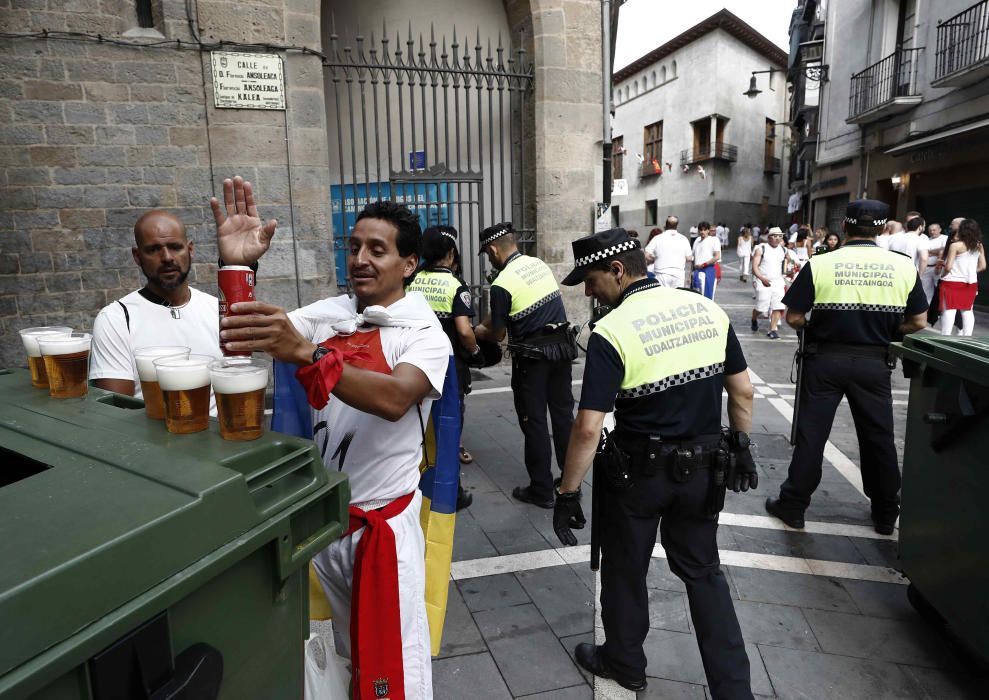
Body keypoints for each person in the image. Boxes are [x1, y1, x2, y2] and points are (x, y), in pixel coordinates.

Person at [215, 177, 449, 699]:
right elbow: (236, 336)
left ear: (409, 264)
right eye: (354, 246)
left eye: (378, 249)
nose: (361, 258)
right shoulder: (328, 315)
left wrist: (309, 355)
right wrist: (238, 268)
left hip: (383, 532)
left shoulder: (423, 332)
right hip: (331, 525)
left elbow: (394, 399)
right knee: (349, 651)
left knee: (397, 669)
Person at [553, 227, 758, 697]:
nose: (587, 289)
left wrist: (567, 493)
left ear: (618, 271)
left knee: (625, 569)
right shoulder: (708, 309)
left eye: (590, 278)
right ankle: (733, 690)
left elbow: (587, 427)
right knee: (704, 572)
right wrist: (742, 445)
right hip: (705, 471)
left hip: (638, 475)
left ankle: (625, 662)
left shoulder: (612, 331)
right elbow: (742, 390)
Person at [765, 200, 928, 536]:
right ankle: (885, 512)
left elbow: (794, 316)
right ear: (883, 229)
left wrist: (817, 326)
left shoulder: (821, 263)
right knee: (878, 437)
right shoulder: (902, 266)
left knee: (812, 435)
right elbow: (919, 322)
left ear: (844, 227)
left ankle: (793, 506)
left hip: (824, 360)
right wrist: (889, 332)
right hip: (874, 363)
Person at [474, 222, 576, 509]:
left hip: (532, 359)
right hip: (561, 350)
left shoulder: (501, 283)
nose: (490, 259)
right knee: (563, 417)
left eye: (488, 254)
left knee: (534, 422)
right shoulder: (538, 265)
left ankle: (542, 489)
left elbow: (497, 333)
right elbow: (504, 314)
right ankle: (571, 486)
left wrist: (477, 332)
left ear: (494, 250)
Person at [90, 210, 222, 412]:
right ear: (137, 256)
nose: (167, 257)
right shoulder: (116, 318)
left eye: (175, 247)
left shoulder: (215, 309)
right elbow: (116, 413)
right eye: (153, 250)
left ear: (190, 249)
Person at [406, 225, 479, 510]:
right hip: (448, 370)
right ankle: (454, 493)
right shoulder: (456, 286)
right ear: (450, 253)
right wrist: (474, 350)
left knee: (417, 427)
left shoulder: (412, 281)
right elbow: (464, 331)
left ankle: (415, 485)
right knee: (448, 428)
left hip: (413, 363)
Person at [939, 218, 986, 336]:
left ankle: (945, 337)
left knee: (949, 310)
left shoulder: (955, 245)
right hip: (971, 282)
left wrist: (943, 275)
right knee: (967, 311)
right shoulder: (979, 245)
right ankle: (967, 338)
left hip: (952, 281)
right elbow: (983, 266)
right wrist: (969, 271)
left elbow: (948, 267)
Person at [749, 227, 793, 339]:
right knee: (761, 308)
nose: (777, 238)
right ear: (769, 237)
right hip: (762, 280)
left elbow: (787, 264)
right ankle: (754, 318)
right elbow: (754, 268)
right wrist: (762, 278)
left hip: (778, 281)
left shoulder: (784, 250)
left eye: (780, 236)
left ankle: (772, 329)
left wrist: (789, 270)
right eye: (775, 236)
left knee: (778, 306)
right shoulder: (761, 248)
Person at [644, 215, 693, 288]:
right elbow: (689, 258)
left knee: (662, 297)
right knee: (676, 297)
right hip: (678, 273)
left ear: (665, 225)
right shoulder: (684, 239)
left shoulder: (657, 238)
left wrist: (654, 259)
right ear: (677, 225)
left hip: (661, 273)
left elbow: (646, 255)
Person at [692, 221, 721, 299]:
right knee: (696, 297)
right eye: (701, 230)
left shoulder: (714, 240)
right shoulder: (697, 241)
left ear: (708, 230)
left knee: (707, 298)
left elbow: (717, 256)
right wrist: (690, 276)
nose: (702, 232)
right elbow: (693, 259)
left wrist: (704, 264)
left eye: (705, 230)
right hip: (696, 271)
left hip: (708, 270)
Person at [920, 222, 946, 304]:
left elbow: (944, 250)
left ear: (940, 230)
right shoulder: (927, 239)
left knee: (940, 289)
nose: (932, 232)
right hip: (927, 268)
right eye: (930, 230)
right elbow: (925, 252)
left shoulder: (944, 238)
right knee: (925, 290)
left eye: (934, 230)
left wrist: (930, 252)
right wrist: (937, 251)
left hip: (939, 268)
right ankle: (926, 310)